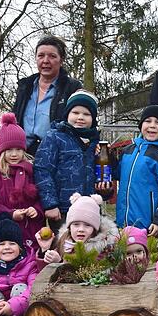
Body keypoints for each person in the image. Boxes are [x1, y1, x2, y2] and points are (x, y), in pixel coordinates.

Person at [34, 89, 100, 223]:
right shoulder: (54, 137)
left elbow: (102, 174)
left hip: (90, 208)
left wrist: (106, 190)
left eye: (86, 114)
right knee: (64, 243)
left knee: (90, 243)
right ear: (67, 114)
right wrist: (50, 204)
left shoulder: (96, 143)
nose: (80, 117)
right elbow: (42, 170)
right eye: (75, 112)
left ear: (93, 119)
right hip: (63, 209)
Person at [0, 113, 44, 251]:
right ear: (2, 151)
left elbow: (42, 194)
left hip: (31, 228)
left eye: (18, 149)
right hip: (5, 229)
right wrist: (10, 214)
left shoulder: (32, 171)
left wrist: (37, 209)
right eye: (9, 150)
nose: (14, 154)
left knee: (31, 262)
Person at [12, 36, 83, 156]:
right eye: (41, 55)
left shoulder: (71, 88)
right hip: (22, 154)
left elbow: (80, 123)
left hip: (56, 155)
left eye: (52, 56)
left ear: (61, 60)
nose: (45, 60)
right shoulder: (25, 87)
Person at [113, 105, 158, 235]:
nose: (152, 125)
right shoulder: (127, 151)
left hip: (147, 226)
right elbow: (117, 175)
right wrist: (109, 158)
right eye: (148, 121)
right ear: (141, 125)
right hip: (122, 223)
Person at [35, 193, 119, 265]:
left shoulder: (101, 248)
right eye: (76, 224)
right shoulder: (65, 242)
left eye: (87, 225)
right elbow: (44, 276)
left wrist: (59, 263)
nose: (81, 229)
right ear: (69, 227)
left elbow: (86, 275)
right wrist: (45, 250)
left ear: (95, 229)